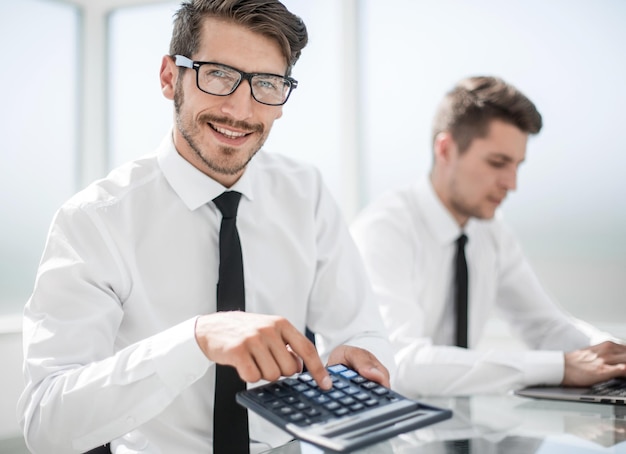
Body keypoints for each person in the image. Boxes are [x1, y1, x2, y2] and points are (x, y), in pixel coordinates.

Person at [17, 1, 394, 453]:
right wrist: (195, 340)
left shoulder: (306, 193)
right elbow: (44, 424)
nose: (240, 108)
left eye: (267, 84)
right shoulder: (95, 220)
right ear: (168, 77)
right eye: (217, 74)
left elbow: (361, 331)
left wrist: (361, 358)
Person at [350, 75, 626, 398]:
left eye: (517, 166)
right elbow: (401, 364)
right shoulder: (384, 229)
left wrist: (613, 355)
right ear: (446, 149)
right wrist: (561, 367)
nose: (511, 184)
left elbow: (546, 326)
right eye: (498, 163)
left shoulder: (491, 232)